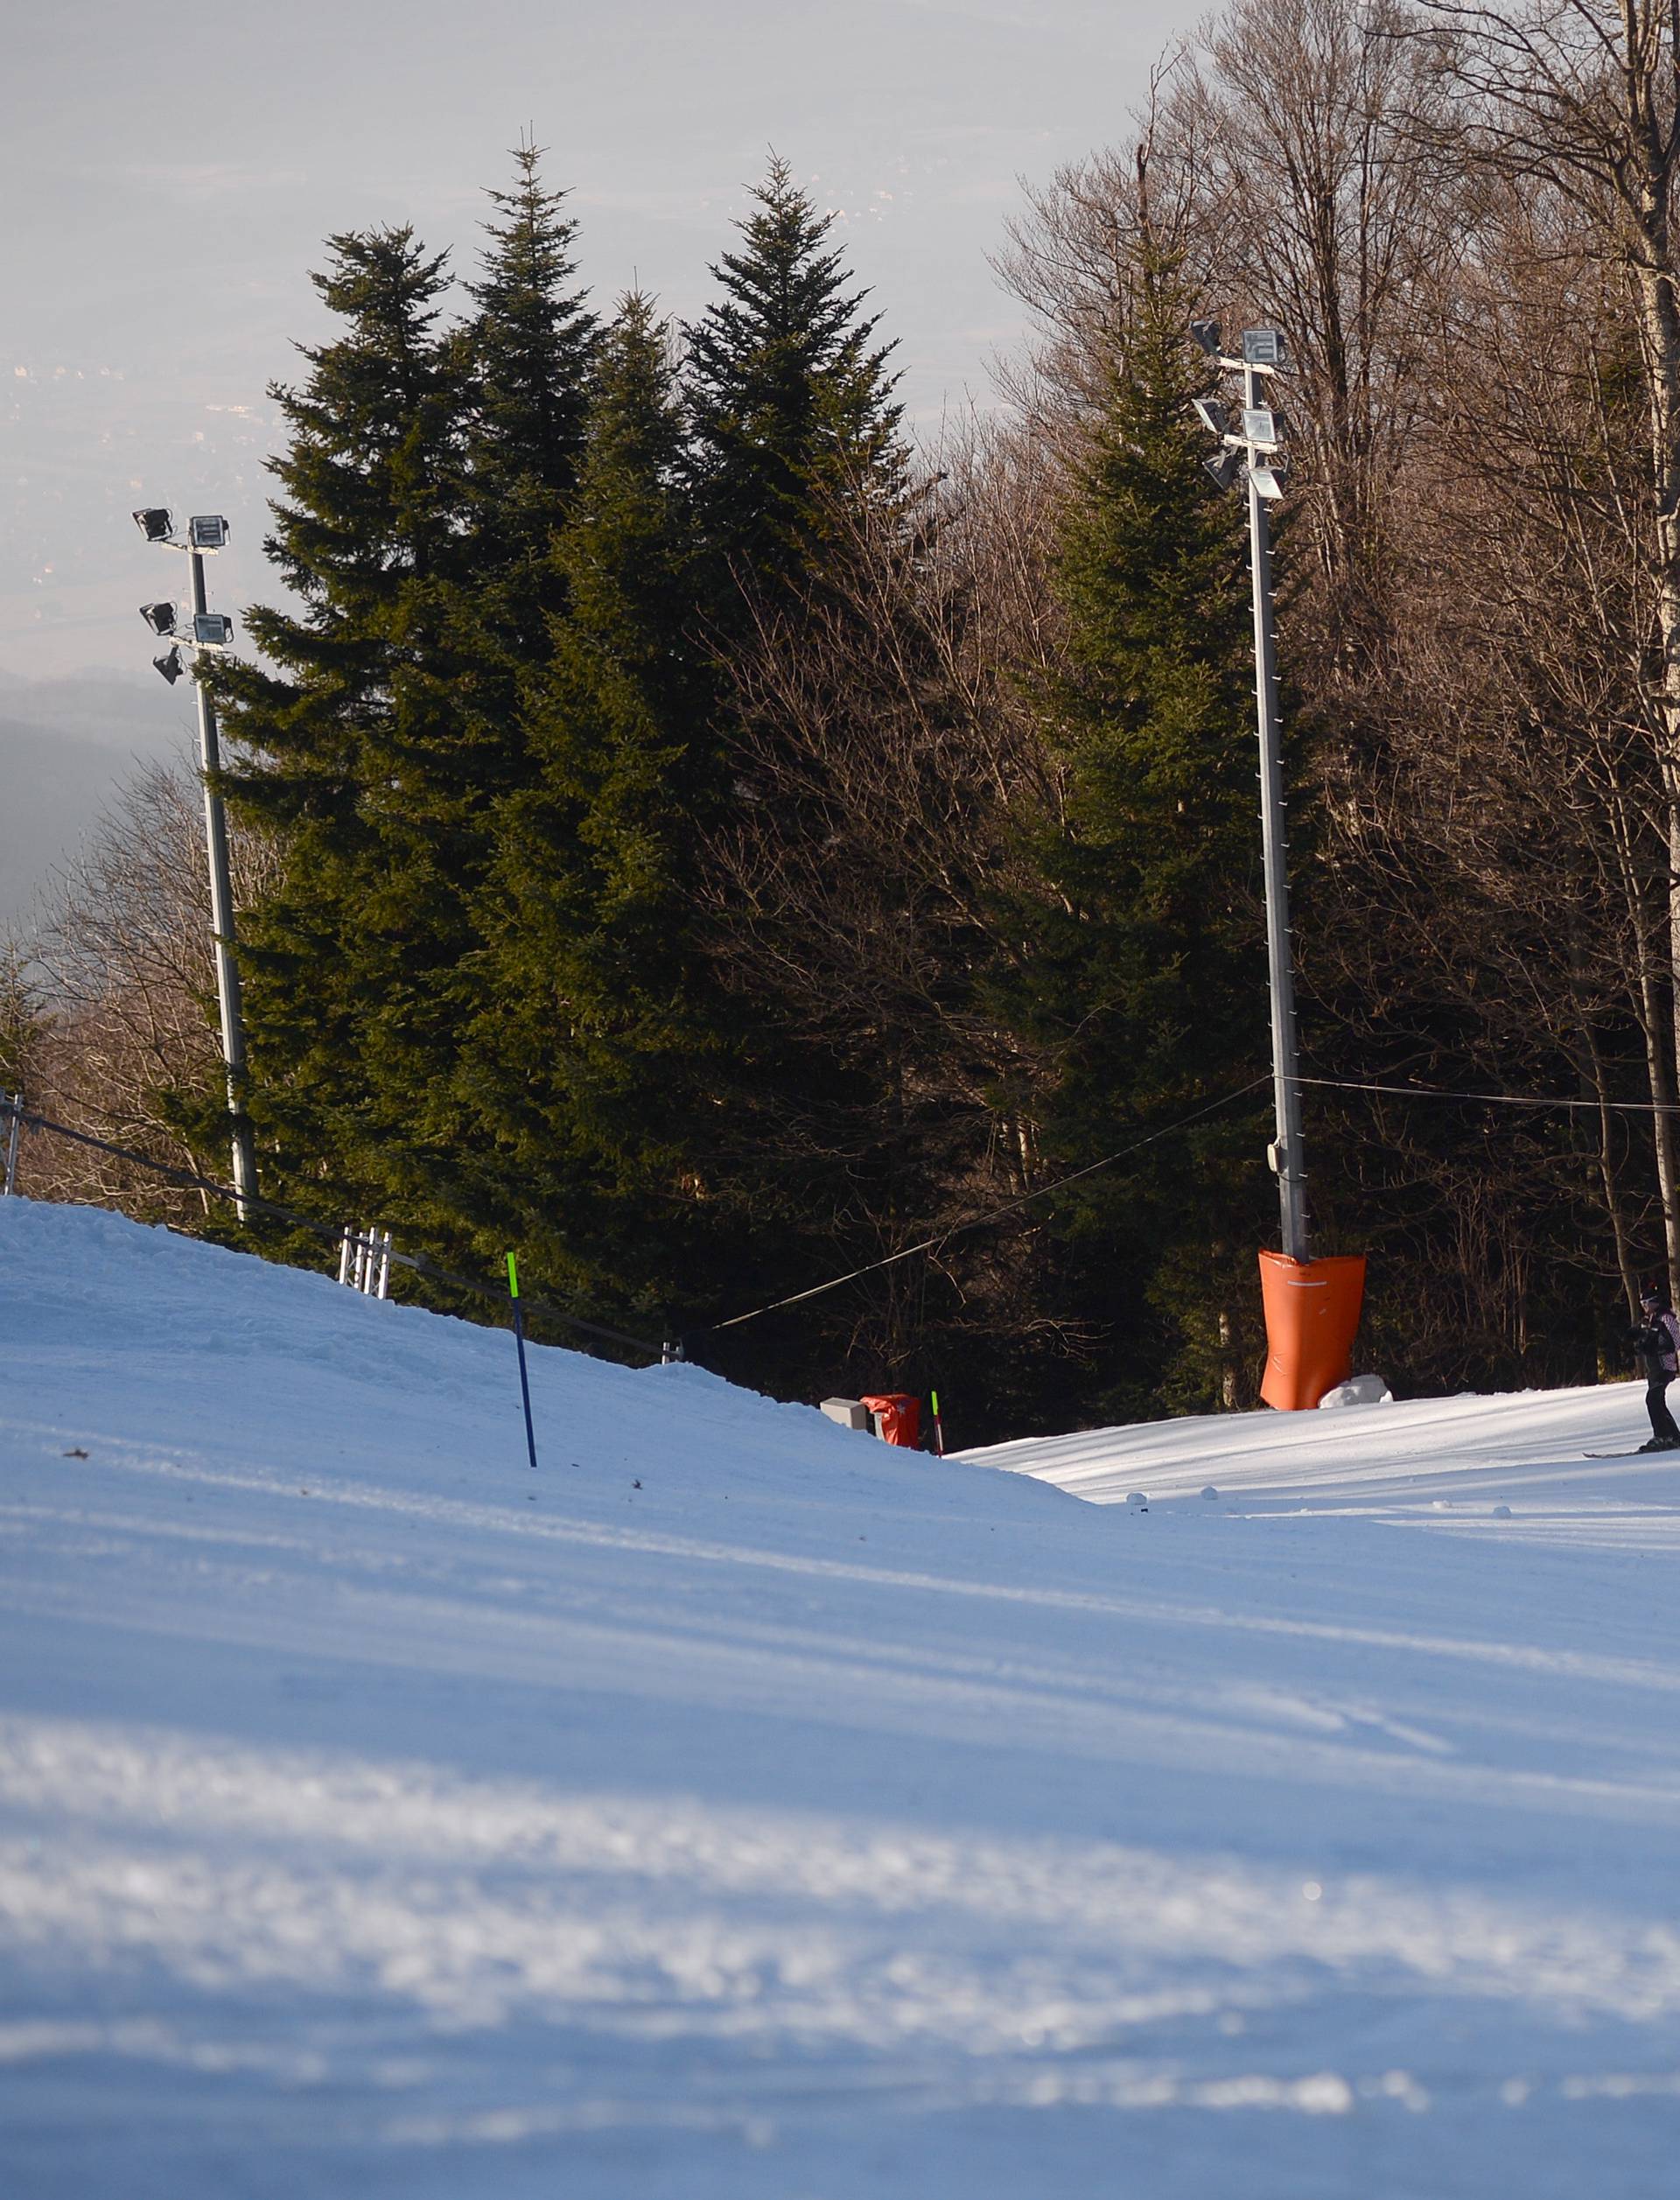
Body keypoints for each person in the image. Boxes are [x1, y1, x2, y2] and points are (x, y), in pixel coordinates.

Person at [1630, 1285, 1680, 1452]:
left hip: (1664, 1366)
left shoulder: (1666, 1317)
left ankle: (1662, 1436)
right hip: (1653, 1367)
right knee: (1657, 1401)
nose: (1644, 1306)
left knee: (1653, 1399)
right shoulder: (1647, 1319)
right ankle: (1673, 1436)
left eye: (1646, 1303)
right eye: (1642, 1303)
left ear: (1655, 1302)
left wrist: (1656, 1348)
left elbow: (1676, 1341)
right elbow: (1639, 1333)